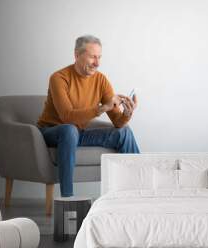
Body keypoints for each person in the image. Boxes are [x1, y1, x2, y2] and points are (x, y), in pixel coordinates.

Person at [37, 35, 140, 197]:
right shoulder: (59, 78)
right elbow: (66, 116)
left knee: (124, 132)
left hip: (78, 133)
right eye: (92, 57)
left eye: (99, 57)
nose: (97, 63)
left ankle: (140, 189)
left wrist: (127, 114)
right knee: (69, 130)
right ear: (77, 55)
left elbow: (117, 122)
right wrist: (100, 109)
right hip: (51, 132)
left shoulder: (101, 80)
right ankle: (68, 200)